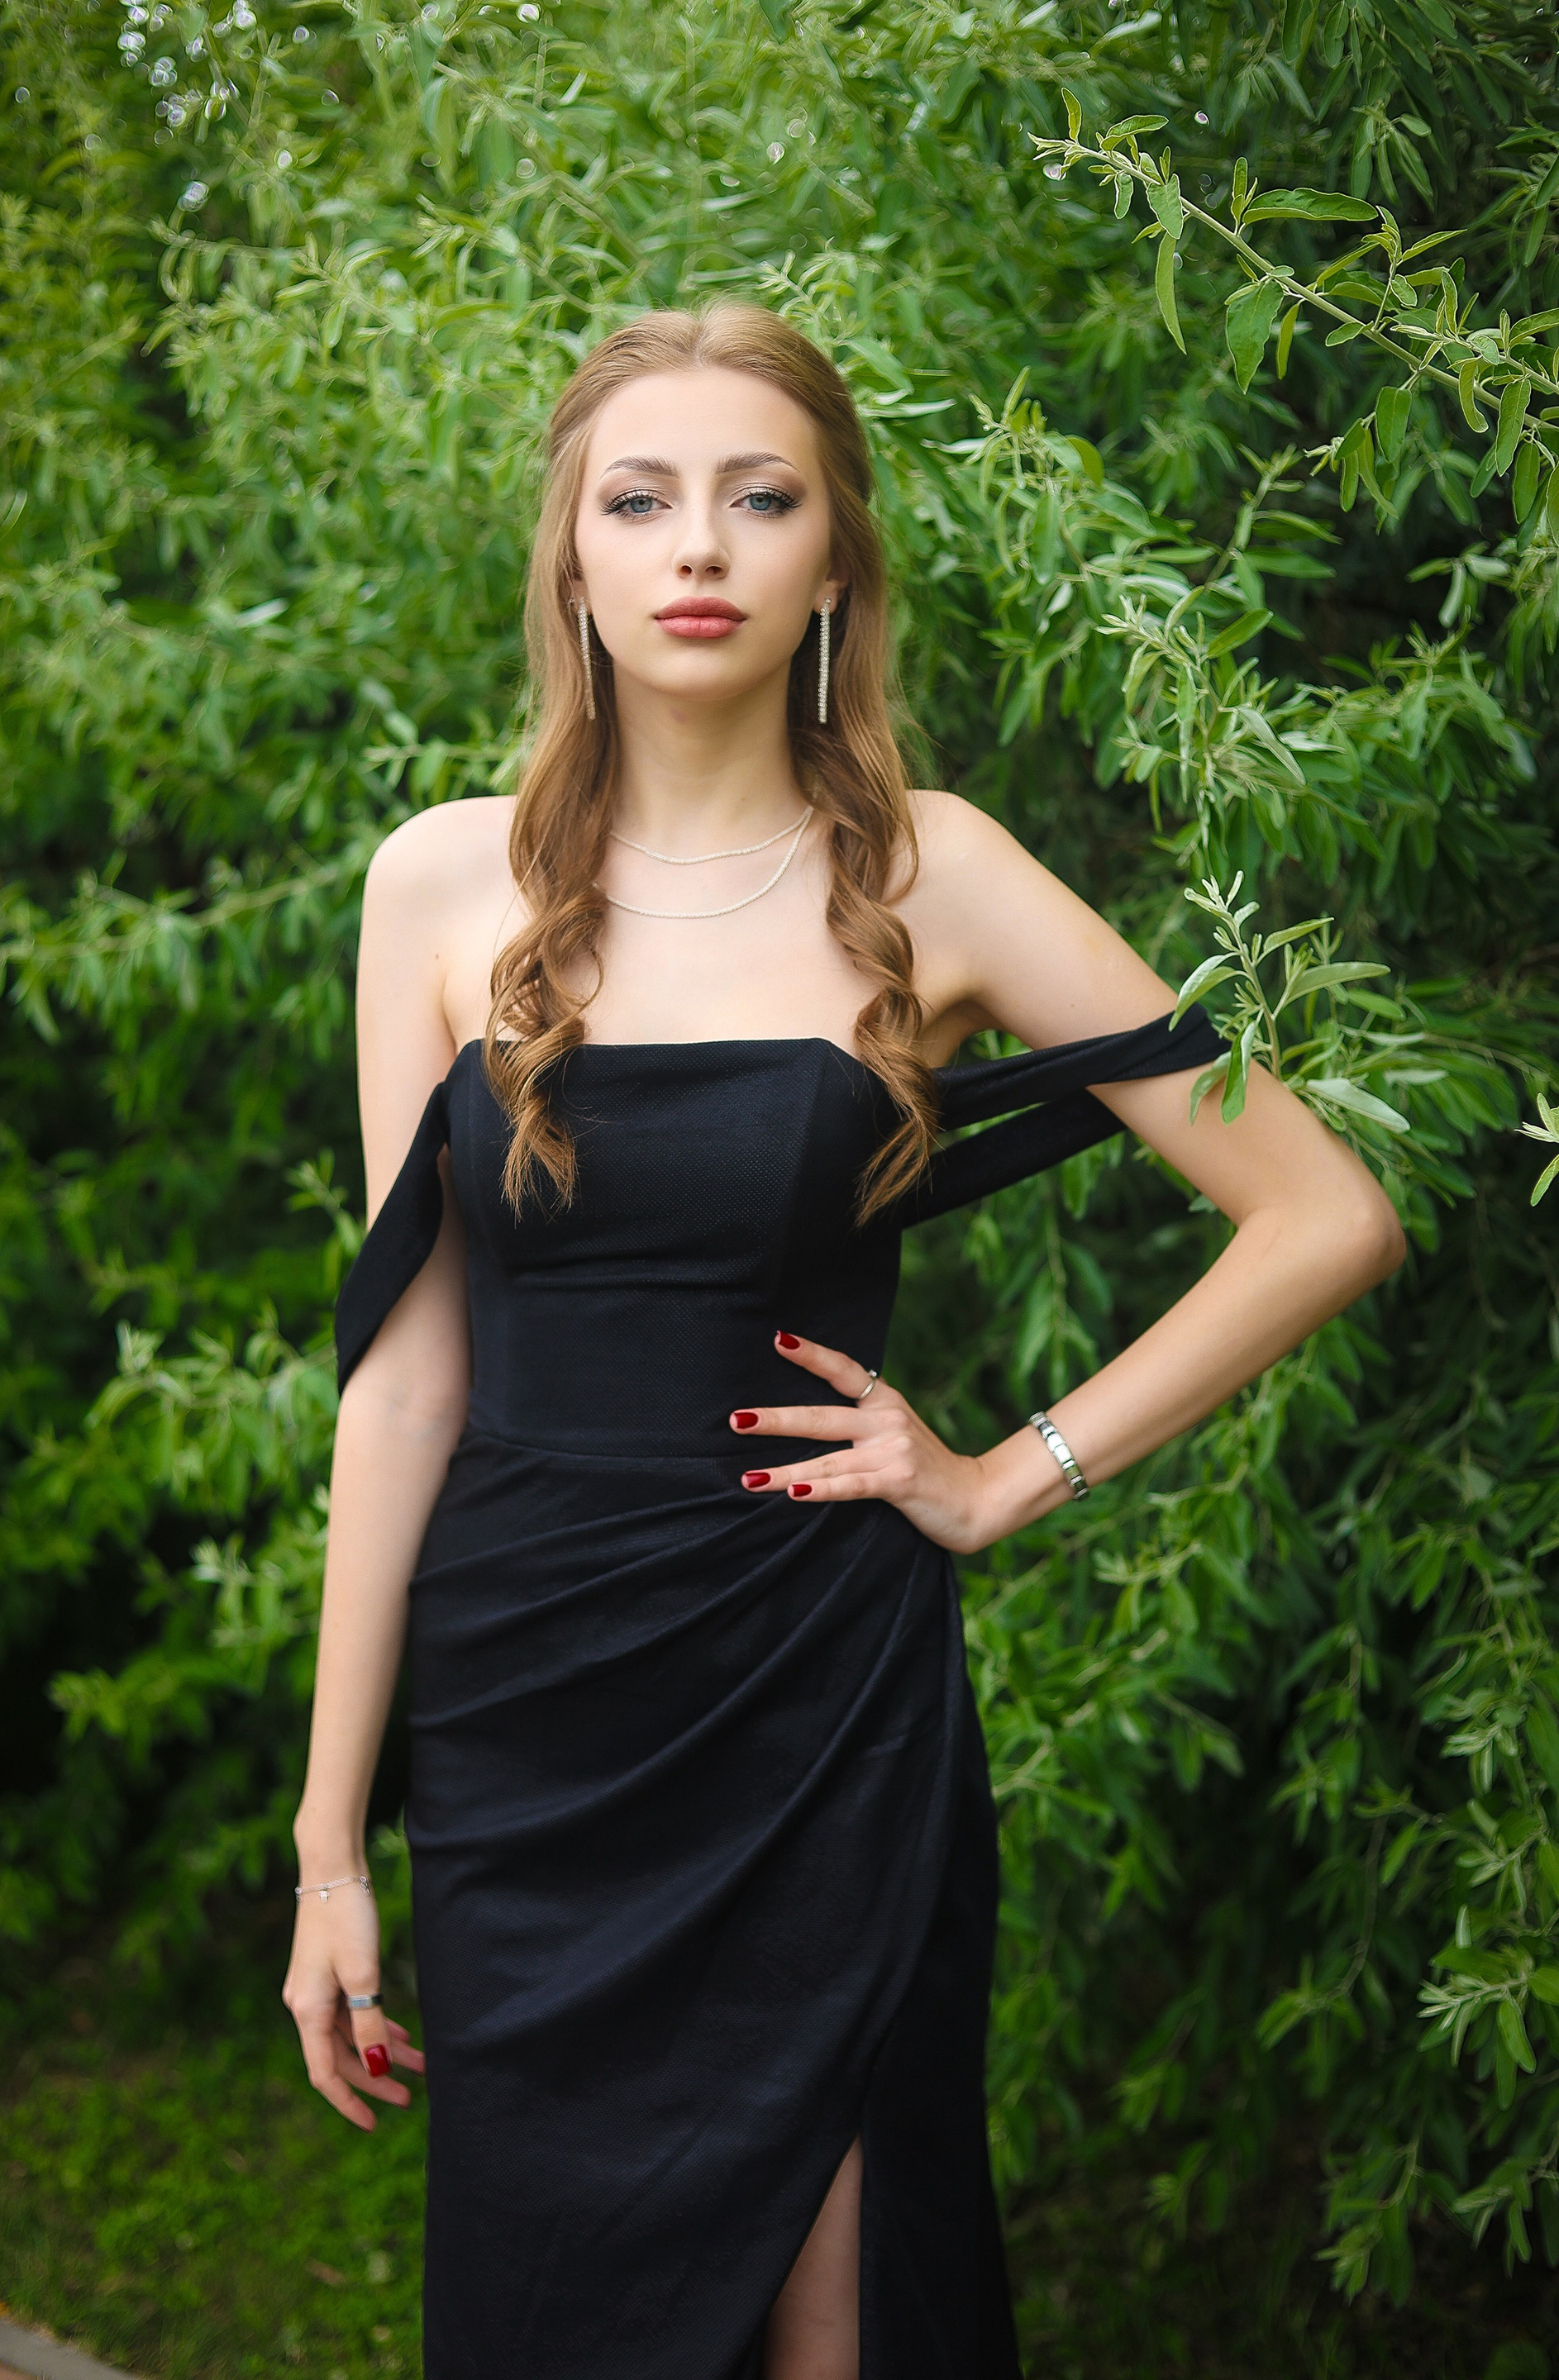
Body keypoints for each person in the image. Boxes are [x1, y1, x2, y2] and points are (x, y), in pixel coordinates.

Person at [281, 303, 1404, 2380]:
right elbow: (410, 1374)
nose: (699, 545)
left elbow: (1324, 1210)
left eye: (760, 496)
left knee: (838, 2330)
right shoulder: (436, 888)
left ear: (832, 562)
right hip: (528, 1717)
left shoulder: (935, 871)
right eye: (642, 500)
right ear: (574, 559)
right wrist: (329, 1843)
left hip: (817, 1699)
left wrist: (1000, 1478)